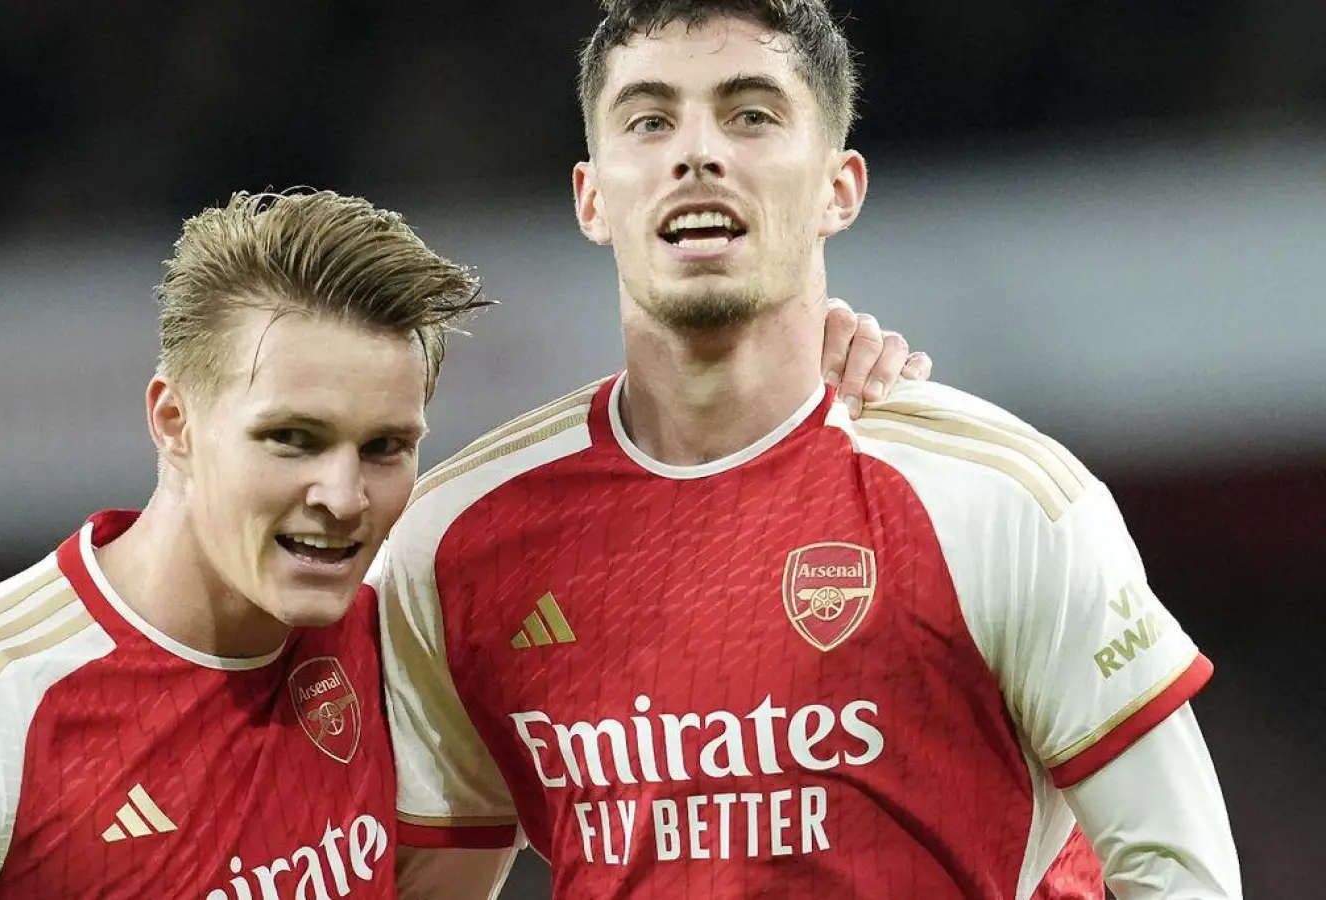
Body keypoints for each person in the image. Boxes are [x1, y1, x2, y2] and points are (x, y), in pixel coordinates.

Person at [0, 188, 922, 900]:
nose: (340, 495)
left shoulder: (416, 621)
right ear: (173, 419)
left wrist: (802, 383)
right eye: (292, 439)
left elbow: (688, 537)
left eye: (383, 447)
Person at [377, 3, 1243, 899]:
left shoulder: (1000, 498)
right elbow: (436, 873)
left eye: (750, 114)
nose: (698, 152)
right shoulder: (455, 540)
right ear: (593, 198)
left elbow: (1182, 871)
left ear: (841, 187)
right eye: (649, 120)